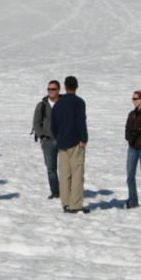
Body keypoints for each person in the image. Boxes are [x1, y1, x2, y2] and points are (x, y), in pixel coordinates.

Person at [50, 76, 88, 214]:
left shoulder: (58, 103)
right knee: (77, 173)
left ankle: (65, 203)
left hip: (62, 143)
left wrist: (59, 137)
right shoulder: (79, 102)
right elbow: (81, 121)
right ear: (76, 87)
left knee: (64, 174)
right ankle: (75, 205)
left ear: (65, 87)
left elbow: (52, 125)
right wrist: (84, 138)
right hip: (75, 142)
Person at [32, 80, 62, 199]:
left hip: (63, 140)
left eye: (53, 89)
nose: (50, 91)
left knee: (66, 168)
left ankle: (66, 191)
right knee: (51, 168)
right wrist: (42, 136)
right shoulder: (42, 105)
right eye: (49, 89)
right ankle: (55, 192)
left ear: (59, 90)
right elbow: (36, 122)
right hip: (48, 141)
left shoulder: (64, 103)